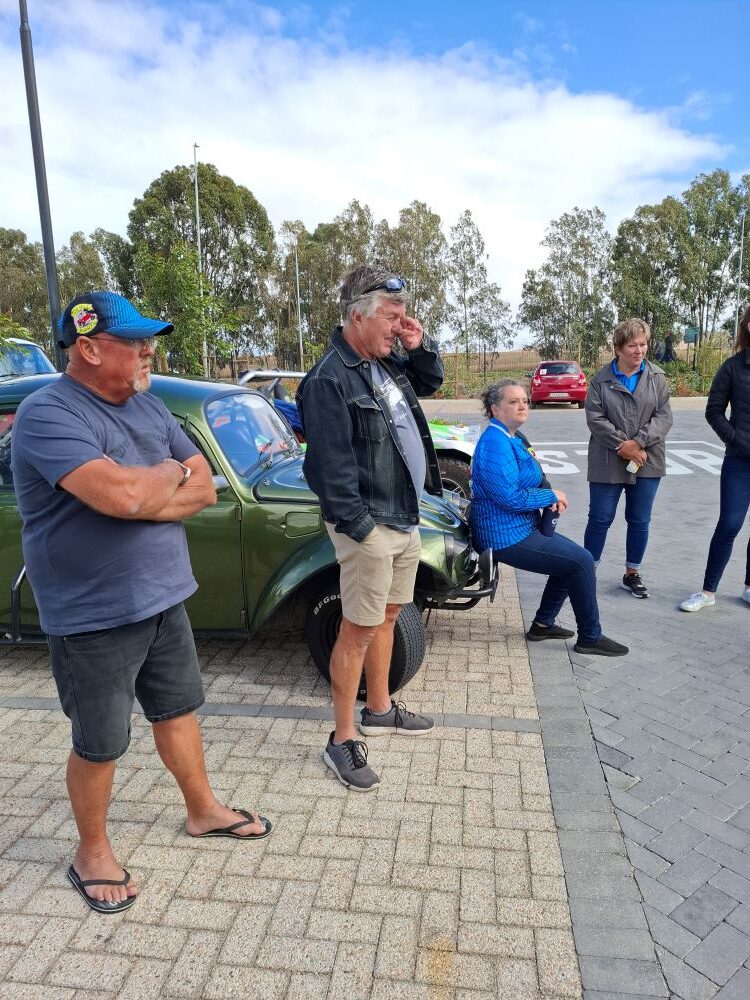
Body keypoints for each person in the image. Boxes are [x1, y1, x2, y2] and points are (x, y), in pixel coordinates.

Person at [11, 292, 272, 915]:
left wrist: (152, 486)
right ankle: (91, 851)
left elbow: (203, 487)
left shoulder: (150, 406)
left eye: (147, 339)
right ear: (90, 347)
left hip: (163, 596)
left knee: (178, 710)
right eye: (133, 342)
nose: (148, 350)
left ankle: (203, 810)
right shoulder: (47, 414)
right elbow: (121, 497)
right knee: (100, 740)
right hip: (92, 613)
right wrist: (160, 480)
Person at [296, 266, 442, 791]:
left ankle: (379, 708)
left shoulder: (387, 362)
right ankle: (341, 738)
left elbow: (430, 381)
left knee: (388, 615)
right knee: (357, 628)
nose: (399, 327)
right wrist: (361, 528)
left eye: (403, 318)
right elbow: (327, 469)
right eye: (391, 317)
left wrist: (418, 342)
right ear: (357, 315)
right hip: (371, 525)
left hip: (404, 514)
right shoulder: (329, 378)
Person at [470, 379, 628, 657]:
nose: (522, 406)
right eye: (513, 401)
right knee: (581, 562)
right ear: (495, 409)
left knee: (573, 559)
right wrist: (550, 496)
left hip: (518, 527)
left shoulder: (511, 437)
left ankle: (543, 624)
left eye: (525, 401)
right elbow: (508, 496)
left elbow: (529, 478)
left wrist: (547, 494)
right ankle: (590, 637)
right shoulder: (495, 443)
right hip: (504, 535)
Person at [583, 318, 673, 598]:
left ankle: (632, 573)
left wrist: (639, 443)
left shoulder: (657, 378)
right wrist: (624, 446)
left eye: (643, 344)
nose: (639, 350)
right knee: (600, 518)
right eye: (632, 345)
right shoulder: (600, 381)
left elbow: (664, 417)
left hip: (648, 459)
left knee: (639, 519)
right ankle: (586, 571)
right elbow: (595, 419)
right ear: (618, 348)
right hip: (607, 460)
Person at [681, 303, 750, 612]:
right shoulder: (733, 367)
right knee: (730, 524)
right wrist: (736, 438)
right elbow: (713, 410)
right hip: (739, 462)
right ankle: (708, 592)